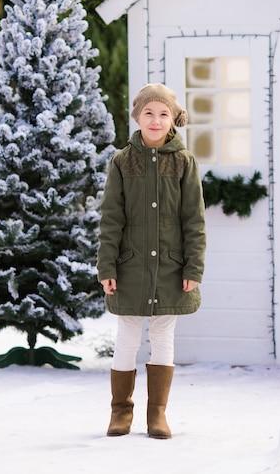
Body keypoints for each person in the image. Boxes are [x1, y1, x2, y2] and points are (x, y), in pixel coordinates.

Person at [97, 83, 206, 440]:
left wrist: (193, 267)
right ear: (137, 117)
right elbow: (111, 218)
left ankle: (156, 414)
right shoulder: (122, 162)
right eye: (148, 113)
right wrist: (107, 267)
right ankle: (120, 412)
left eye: (163, 114)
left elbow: (194, 219)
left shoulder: (184, 162)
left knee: (162, 335)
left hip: (172, 266)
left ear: (173, 118)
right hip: (129, 265)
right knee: (127, 335)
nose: (155, 120)